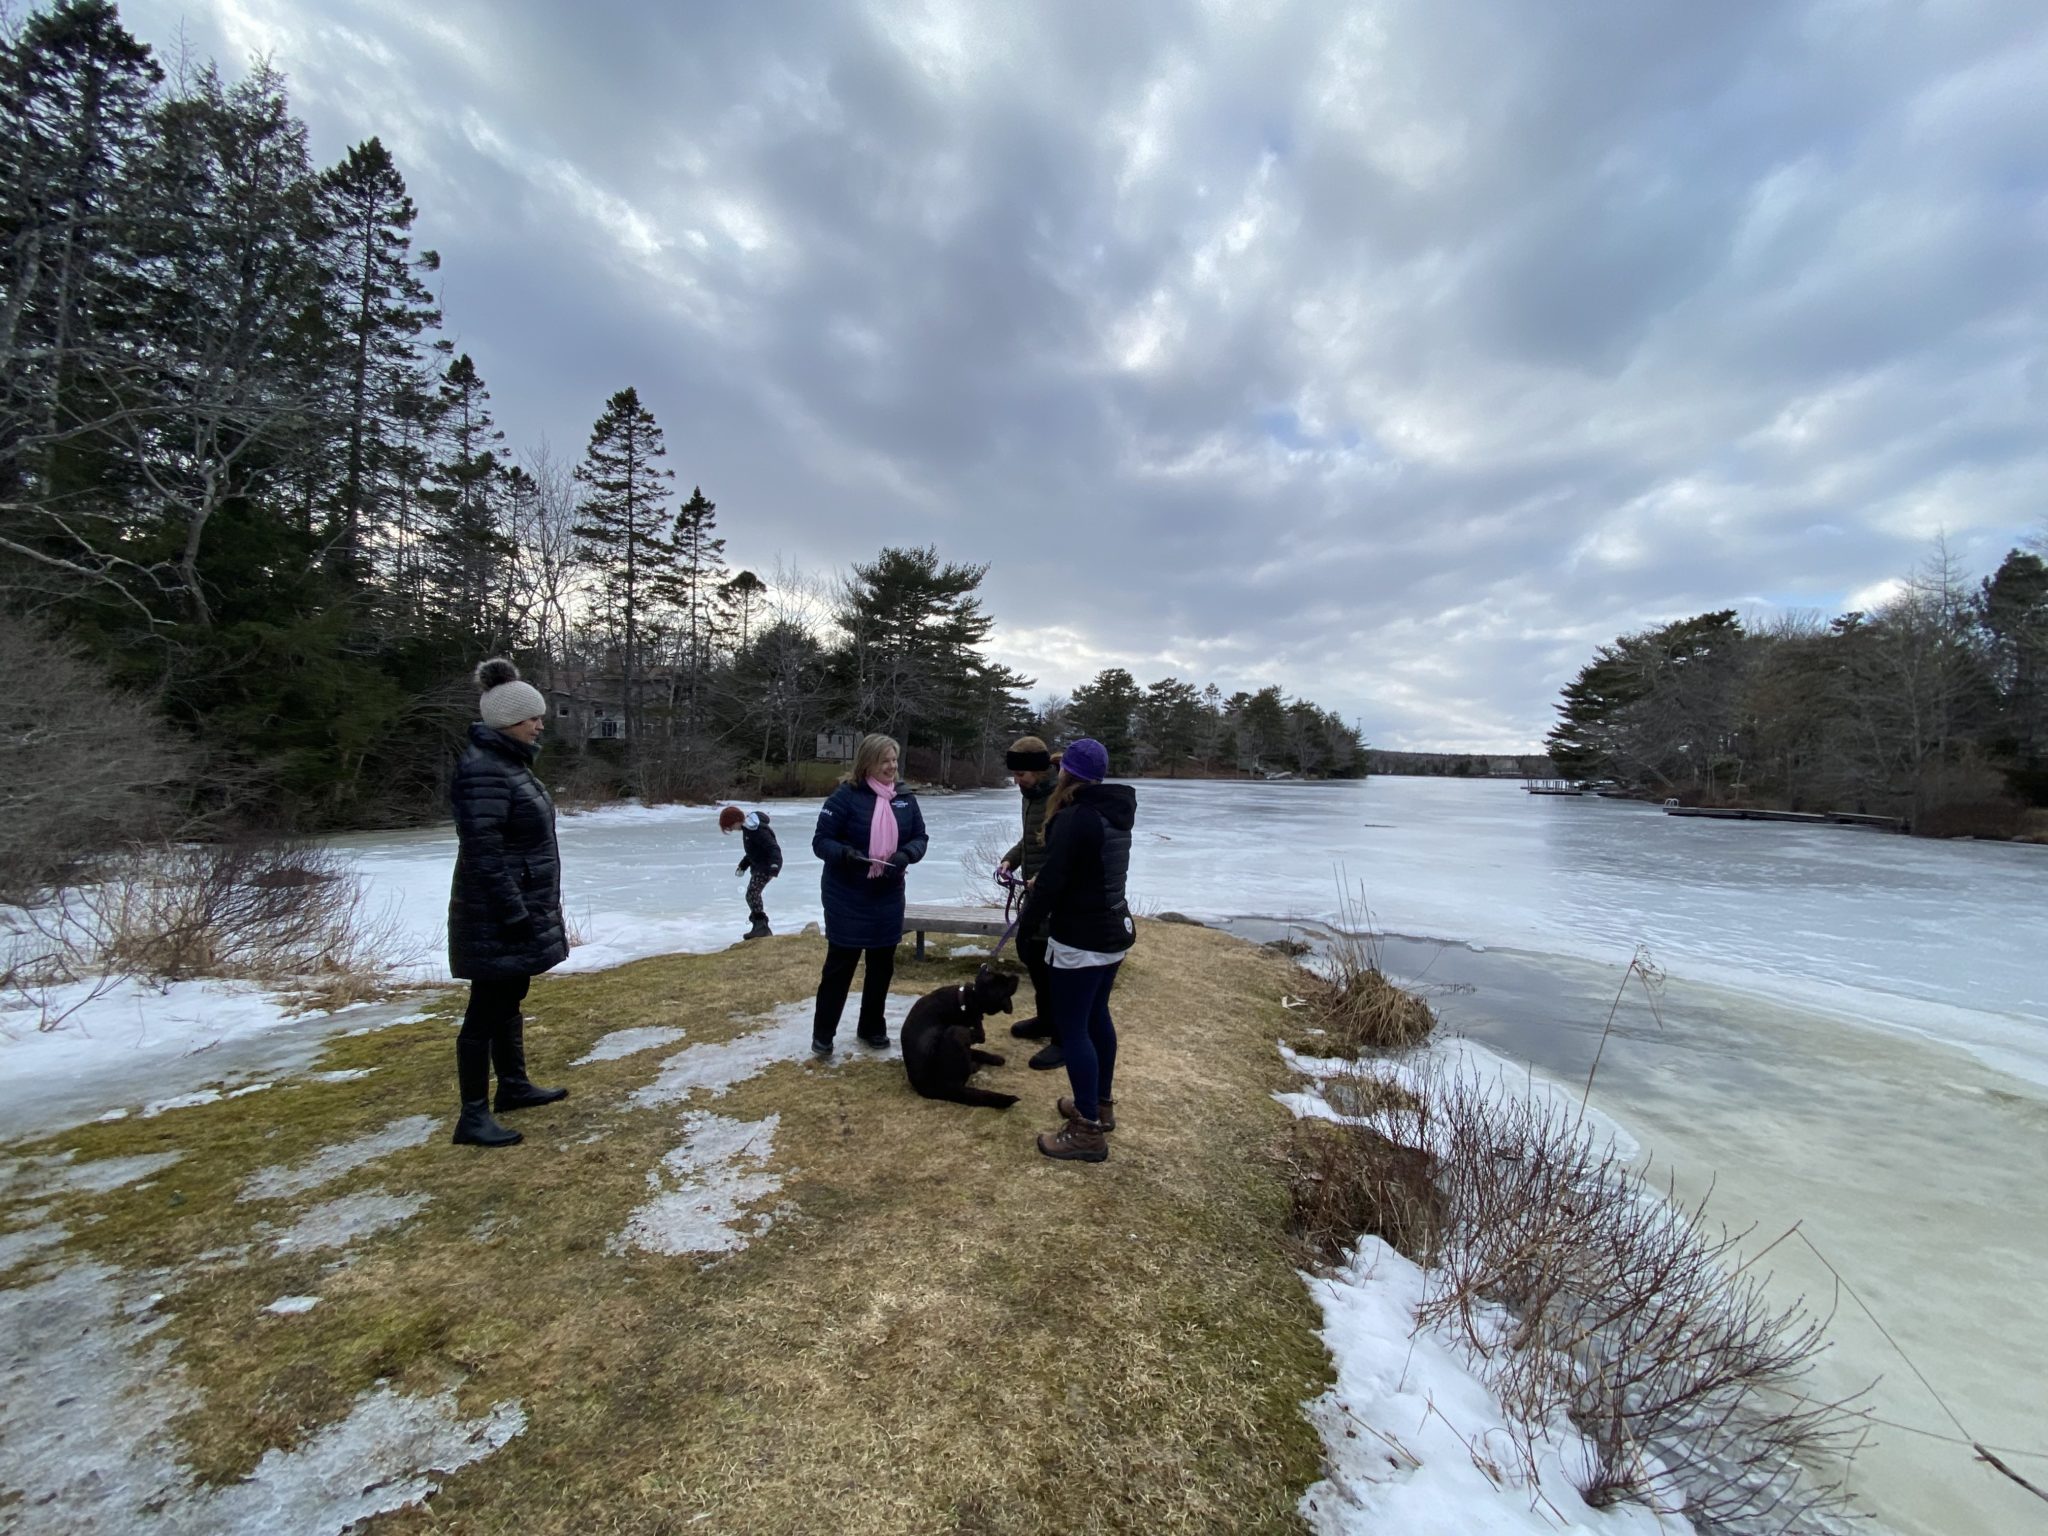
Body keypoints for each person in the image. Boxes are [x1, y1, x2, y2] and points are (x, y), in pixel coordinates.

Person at [446, 658, 571, 1148]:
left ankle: (513, 1086)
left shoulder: (507, 764)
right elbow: (484, 854)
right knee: (485, 1009)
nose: (540, 724)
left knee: (509, 999)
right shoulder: (484, 772)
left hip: (517, 906)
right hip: (495, 913)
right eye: (532, 718)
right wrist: (515, 911)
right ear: (506, 722)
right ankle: (472, 1117)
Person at [1017, 738, 1135, 1163]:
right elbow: (1082, 871)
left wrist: (1026, 927)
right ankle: (1100, 1106)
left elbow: (1052, 884)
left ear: (1068, 773)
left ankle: (1086, 1129)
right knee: (1096, 1016)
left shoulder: (1075, 817)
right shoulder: (1112, 810)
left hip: (1081, 939)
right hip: (1111, 932)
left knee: (1073, 1029)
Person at [810, 733, 928, 1056]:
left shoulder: (904, 797)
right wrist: (846, 854)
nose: (892, 766)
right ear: (867, 764)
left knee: (881, 965)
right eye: (884, 761)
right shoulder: (844, 797)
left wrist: (905, 855)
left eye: (894, 759)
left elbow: (920, 837)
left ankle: (871, 1026)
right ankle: (823, 1033)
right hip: (846, 894)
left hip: (887, 894)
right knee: (840, 966)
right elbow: (821, 841)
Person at [996, 735, 1063, 1071]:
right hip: (1037, 891)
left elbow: (1067, 846)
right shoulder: (1030, 795)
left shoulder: (1060, 795)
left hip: (1057, 893)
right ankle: (1045, 1019)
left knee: (1057, 964)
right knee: (1034, 954)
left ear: (1038, 771)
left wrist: (1047, 878)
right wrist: (1012, 860)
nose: (1016, 780)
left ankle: (1063, 1038)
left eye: (1021, 774)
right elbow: (1032, 839)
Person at [721, 804, 782, 940]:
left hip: (767, 866)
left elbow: (773, 848)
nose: (731, 829)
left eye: (730, 826)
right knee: (751, 894)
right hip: (760, 865)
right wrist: (743, 865)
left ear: (736, 820)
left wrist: (774, 865)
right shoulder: (748, 830)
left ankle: (762, 928)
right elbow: (753, 852)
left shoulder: (756, 829)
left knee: (752, 893)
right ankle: (759, 926)